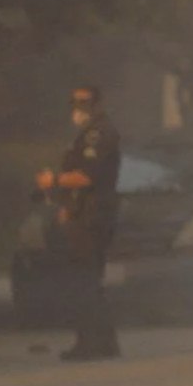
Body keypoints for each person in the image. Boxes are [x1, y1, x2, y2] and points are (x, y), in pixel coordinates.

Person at [36, 85, 121, 361]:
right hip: (83, 213)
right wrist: (66, 205)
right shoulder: (86, 134)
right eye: (75, 102)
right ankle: (101, 341)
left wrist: (54, 181)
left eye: (84, 103)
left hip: (93, 216)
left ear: (96, 104)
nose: (78, 108)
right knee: (87, 280)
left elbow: (87, 177)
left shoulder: (98, 134)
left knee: (84, 280)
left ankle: (92, 343)